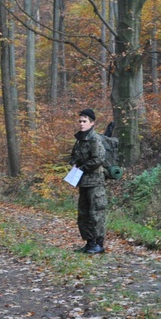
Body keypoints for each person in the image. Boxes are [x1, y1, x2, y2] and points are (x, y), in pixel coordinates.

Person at [69, 108, 107, 254]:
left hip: (95, 182)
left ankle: (98, 244)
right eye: (80, 121)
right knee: (83, 214)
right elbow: (74, 156)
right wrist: (74, 163)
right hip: (83, 181)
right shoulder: (80, 140)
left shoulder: (94, 139)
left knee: (96, 213)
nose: (81, 124)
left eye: (84, 121)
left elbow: (99, 159)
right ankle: (90, 243)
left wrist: (83, 167)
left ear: (92, 123)